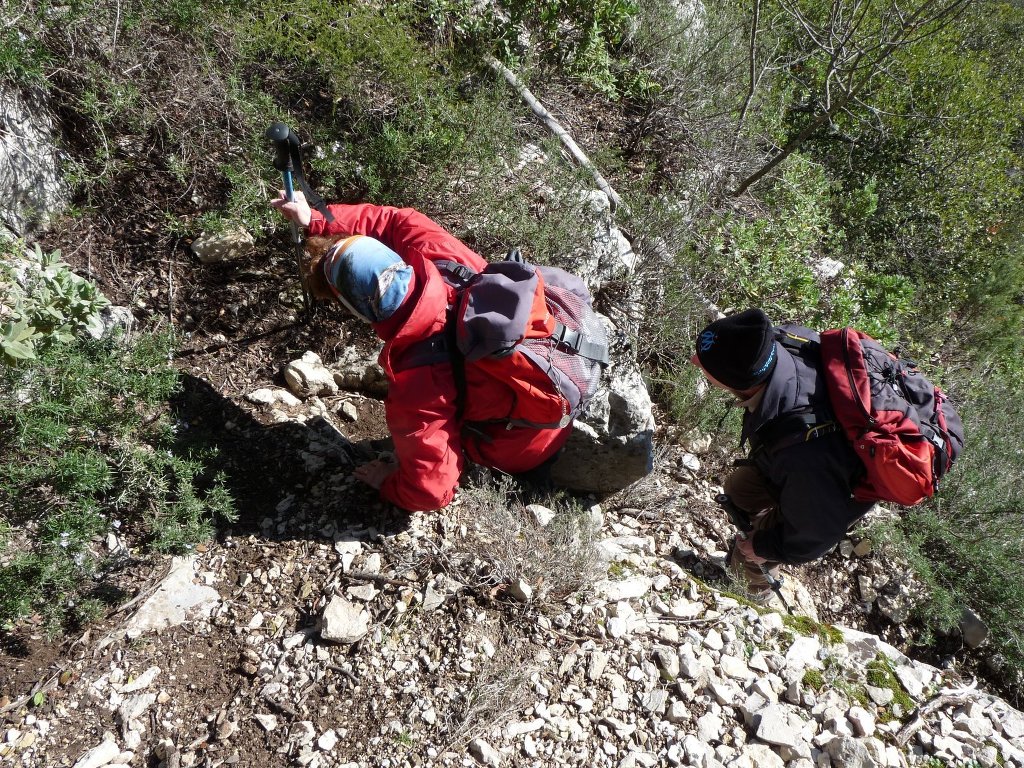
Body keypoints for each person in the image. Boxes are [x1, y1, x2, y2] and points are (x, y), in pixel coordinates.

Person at [270, 191, 574, 512]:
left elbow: (430, 492)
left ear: (358, 311)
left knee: (437, 449)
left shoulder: (417, 378)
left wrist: (389, 482)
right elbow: (395, 220)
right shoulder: (443, 259)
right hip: (563, 379)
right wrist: (317, 218)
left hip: (521, 450)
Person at [690, 309, 874, 601]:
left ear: (738, 383)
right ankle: (761, 538)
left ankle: (752, 600)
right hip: (811, 461)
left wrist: (764, 546)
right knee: (740, 490)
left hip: (836, 488)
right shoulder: (781, 343)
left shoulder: (803, 450)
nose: (694, 362)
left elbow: (814, 536)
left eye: (704, 366)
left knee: (752, 552)